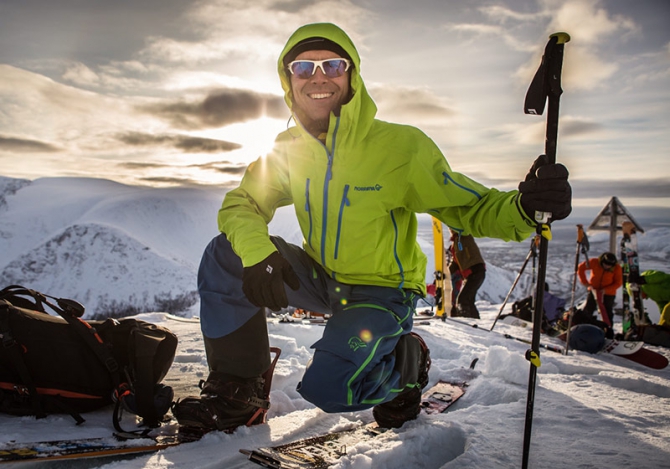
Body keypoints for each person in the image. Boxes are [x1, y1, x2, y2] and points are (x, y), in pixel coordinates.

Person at [172, 22, 571, 432]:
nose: (318, 77)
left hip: (383, 291)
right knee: (226, 253)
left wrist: (525, 207)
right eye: (303, 68)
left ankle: (407, 365)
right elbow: (244, 202)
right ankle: (239, 393)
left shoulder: (399, 148)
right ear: (288, 80)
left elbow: (472, 208)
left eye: (332, 64)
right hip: (323, 278)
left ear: (352, 75)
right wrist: (259, 255)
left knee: (330, 390)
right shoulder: (287, 150)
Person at [577, 252, 623, 337]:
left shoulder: (617, 268)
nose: (607, 267)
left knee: (607, 312)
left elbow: (618, 283)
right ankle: (583, 329)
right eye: (605, 264)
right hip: (594, 290)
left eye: (609, 266)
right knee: (588, 309)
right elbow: (580, 268)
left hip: (609, 293)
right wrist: (586, 283)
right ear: (602, 261)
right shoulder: (595, 262)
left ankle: (608, 332)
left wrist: (606, 290)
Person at [448, 231, 486, 319]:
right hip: (473, 273)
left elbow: (463, 228)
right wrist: (445, 273)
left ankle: (466, 319)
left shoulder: (465, 236)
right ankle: (474, 319)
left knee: (463, 299)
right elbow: (455, 263)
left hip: (476, 271)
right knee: (468, 299)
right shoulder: (455, 244)